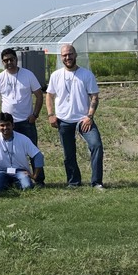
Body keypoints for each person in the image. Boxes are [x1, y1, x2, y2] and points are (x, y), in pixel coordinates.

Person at [46, 44, 104, 189]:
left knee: (96, 145)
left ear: (75, 55)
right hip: (63, 120)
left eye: (70, 54)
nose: (68, 57)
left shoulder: (86, 75)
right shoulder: (56, 75)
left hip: (83, 119)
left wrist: (89, 116)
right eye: (64, 55)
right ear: (61, 57)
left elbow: (94, 96)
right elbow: (49, 95)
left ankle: (96, 182)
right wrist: (51, 114)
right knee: (69, 153)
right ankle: (73, 182)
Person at [0, 48, 45, 186]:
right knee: (8, 152)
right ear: (2, 62)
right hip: (7, 125)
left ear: (16, 59)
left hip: (26, 122)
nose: (9, 62)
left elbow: (39, 95)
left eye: (11, 59)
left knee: (33, 151)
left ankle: (39, 179)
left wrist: (35, 114)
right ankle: (8, 178)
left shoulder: (28, 74)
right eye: (6, 60)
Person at [0, 112, 44, 194]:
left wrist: (35, 176)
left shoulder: (23, 139)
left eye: (8, 125)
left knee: (27, 187)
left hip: (20, 171)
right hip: (2, 171)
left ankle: (13, 183)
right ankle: (11, 184)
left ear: (13, 125)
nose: (5, 128)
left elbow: (38, 156)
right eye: (2, 125)